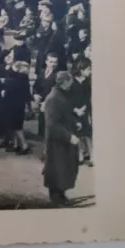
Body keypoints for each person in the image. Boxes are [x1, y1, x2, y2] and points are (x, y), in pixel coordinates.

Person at [42, 71, 80, 206]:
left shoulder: (61, 95)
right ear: (65, 82)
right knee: (57, 169)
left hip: (62, 139)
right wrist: (69, 136)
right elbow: (52, 124)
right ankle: (56, 199)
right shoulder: (53, 99)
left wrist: (75, 123)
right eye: (70, 82)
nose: (72, 84)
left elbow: (66, 115)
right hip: (56, 141)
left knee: (63, 169)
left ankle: (61, 195)